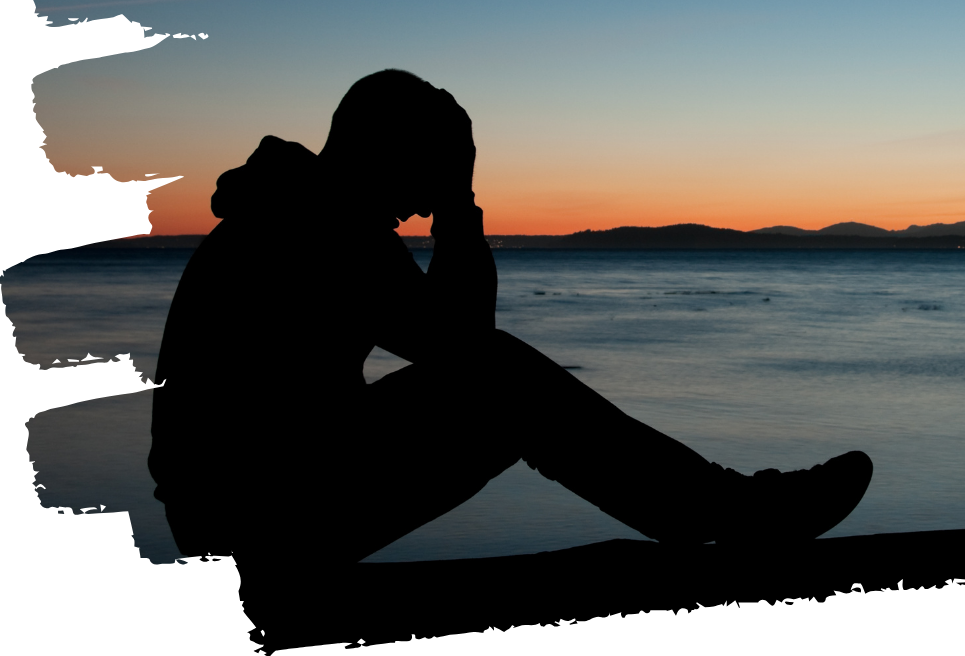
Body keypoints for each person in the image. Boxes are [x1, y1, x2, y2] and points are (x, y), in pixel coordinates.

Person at [148, 70, 873, 564]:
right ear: (387, 152)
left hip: (243, 501)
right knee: (497, 377)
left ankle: (720, 510)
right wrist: (462, 208)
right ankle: (730, 514)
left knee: (496, 377)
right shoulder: (317, 225)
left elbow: (450, 341)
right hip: (252, 518)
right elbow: (462, 344)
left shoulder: (300, 213)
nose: (426, 202)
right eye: (429, 173)